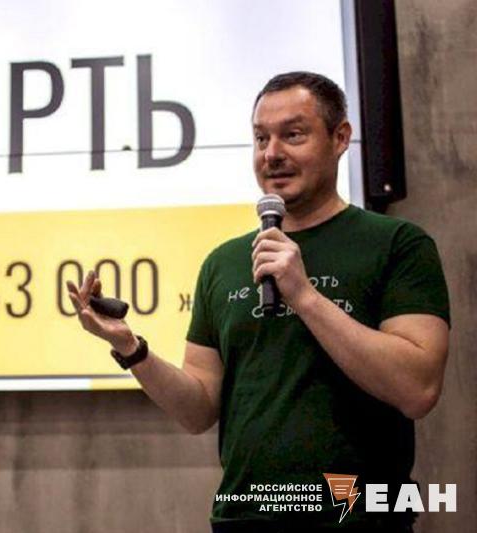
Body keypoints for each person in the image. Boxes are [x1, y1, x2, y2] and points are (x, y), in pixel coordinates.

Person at [66, 71, 450, 532]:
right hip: (244, 517)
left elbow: (417, 390)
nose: (272, 154)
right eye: (261, 138)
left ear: (340, 138)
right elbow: (198, 409)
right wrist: (132, 349)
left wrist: (304, 296)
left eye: (293, 135)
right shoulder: (225, 262)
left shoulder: (397, 245)